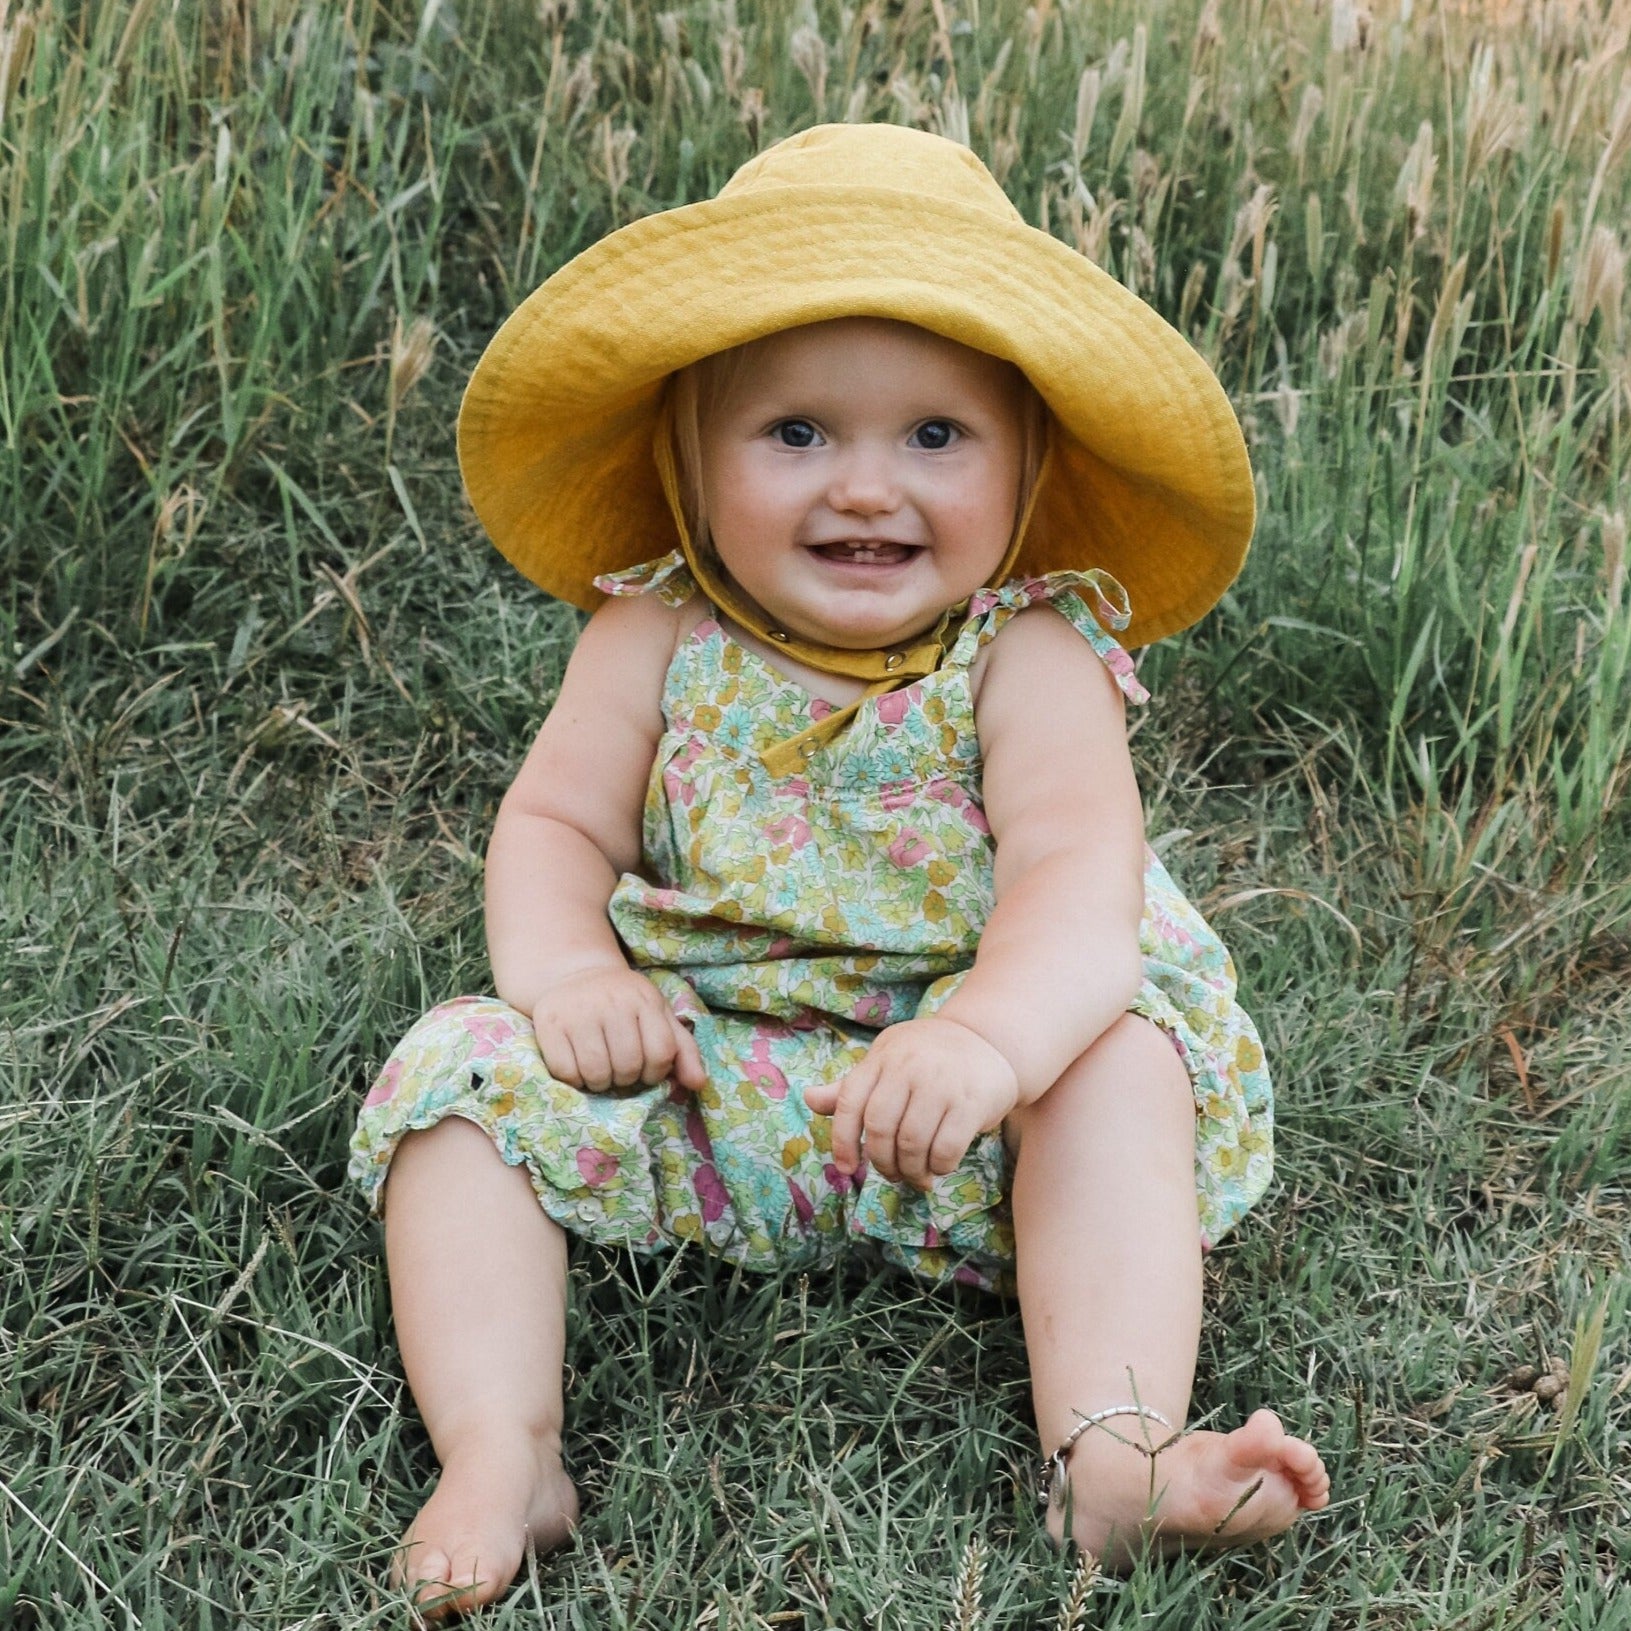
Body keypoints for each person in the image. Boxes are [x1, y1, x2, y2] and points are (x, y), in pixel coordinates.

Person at [349, 122, 1330, 1616]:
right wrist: (569, 981)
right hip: (718, 1080)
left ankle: (1113, 1453)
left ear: (1027, 464)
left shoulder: (1032, 657)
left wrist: (989, 1042)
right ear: (690, 458)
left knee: (1121, 1066)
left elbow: (1082, 887)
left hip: (987, 1129)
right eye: (796, 432)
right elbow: (555, 827)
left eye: (936, 436)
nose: (867, 487)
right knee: (458, 1072)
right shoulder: (651, 636)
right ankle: (501, 1451)